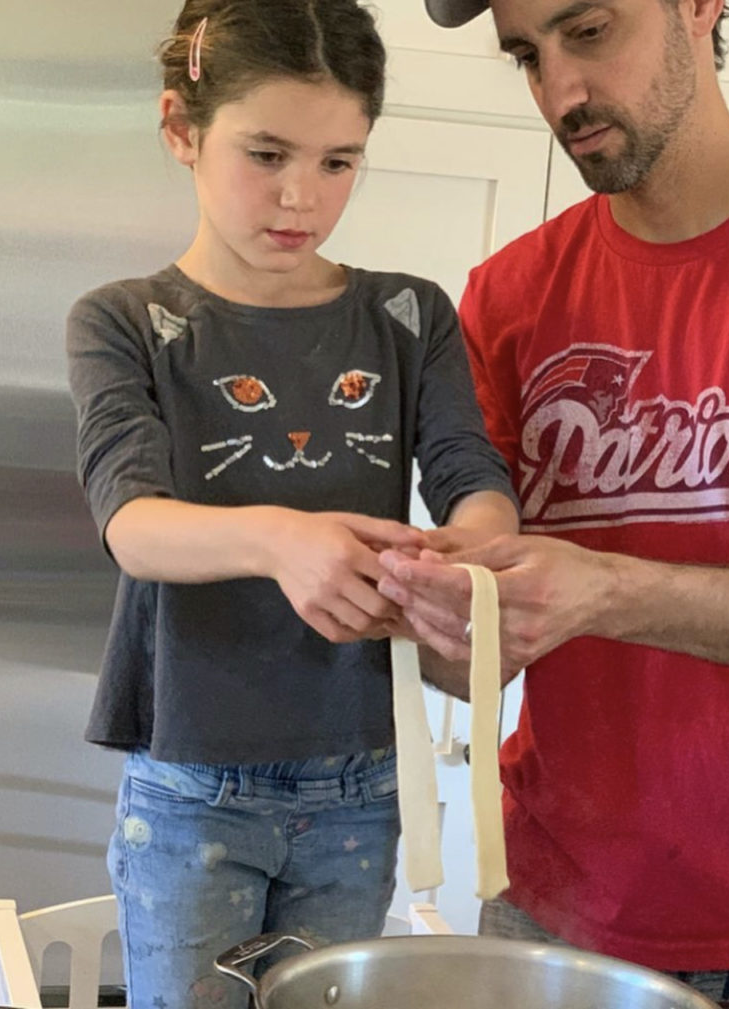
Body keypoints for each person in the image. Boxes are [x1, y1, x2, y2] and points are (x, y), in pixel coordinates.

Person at [377, 0, 729, 1005]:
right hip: (565, 916)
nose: (559, 92)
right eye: (525, 56)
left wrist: (604, 590)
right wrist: (420, 604)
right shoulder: (503, 299)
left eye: (588, 32)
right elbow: (473, 666)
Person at [65, 2, 519, 1006]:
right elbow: (132, 521)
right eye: (265, 153)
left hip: (364, 772)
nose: (300, 197)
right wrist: (279, 539)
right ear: (181, 128)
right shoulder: (124, 320)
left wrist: (469, 551)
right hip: (189, 782)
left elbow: (469, 474)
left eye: (337, 162)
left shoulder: (406, 315)